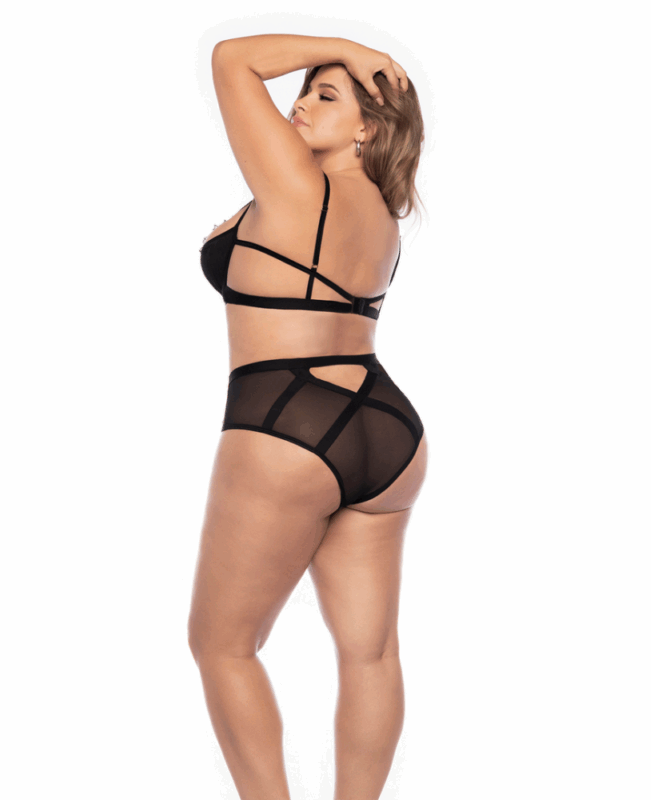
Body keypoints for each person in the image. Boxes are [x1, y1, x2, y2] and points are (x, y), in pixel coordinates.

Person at [188, 33, 428, 800]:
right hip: (384, 426)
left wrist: (343, 47)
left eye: (328, 95)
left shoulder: (296, 184)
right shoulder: (383, 217)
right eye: (306, 88)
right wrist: (348, 70)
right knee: (371, 654)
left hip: (286, 419)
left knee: (222, 646)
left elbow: (231, 59)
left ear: (368, 128)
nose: (298, 103)